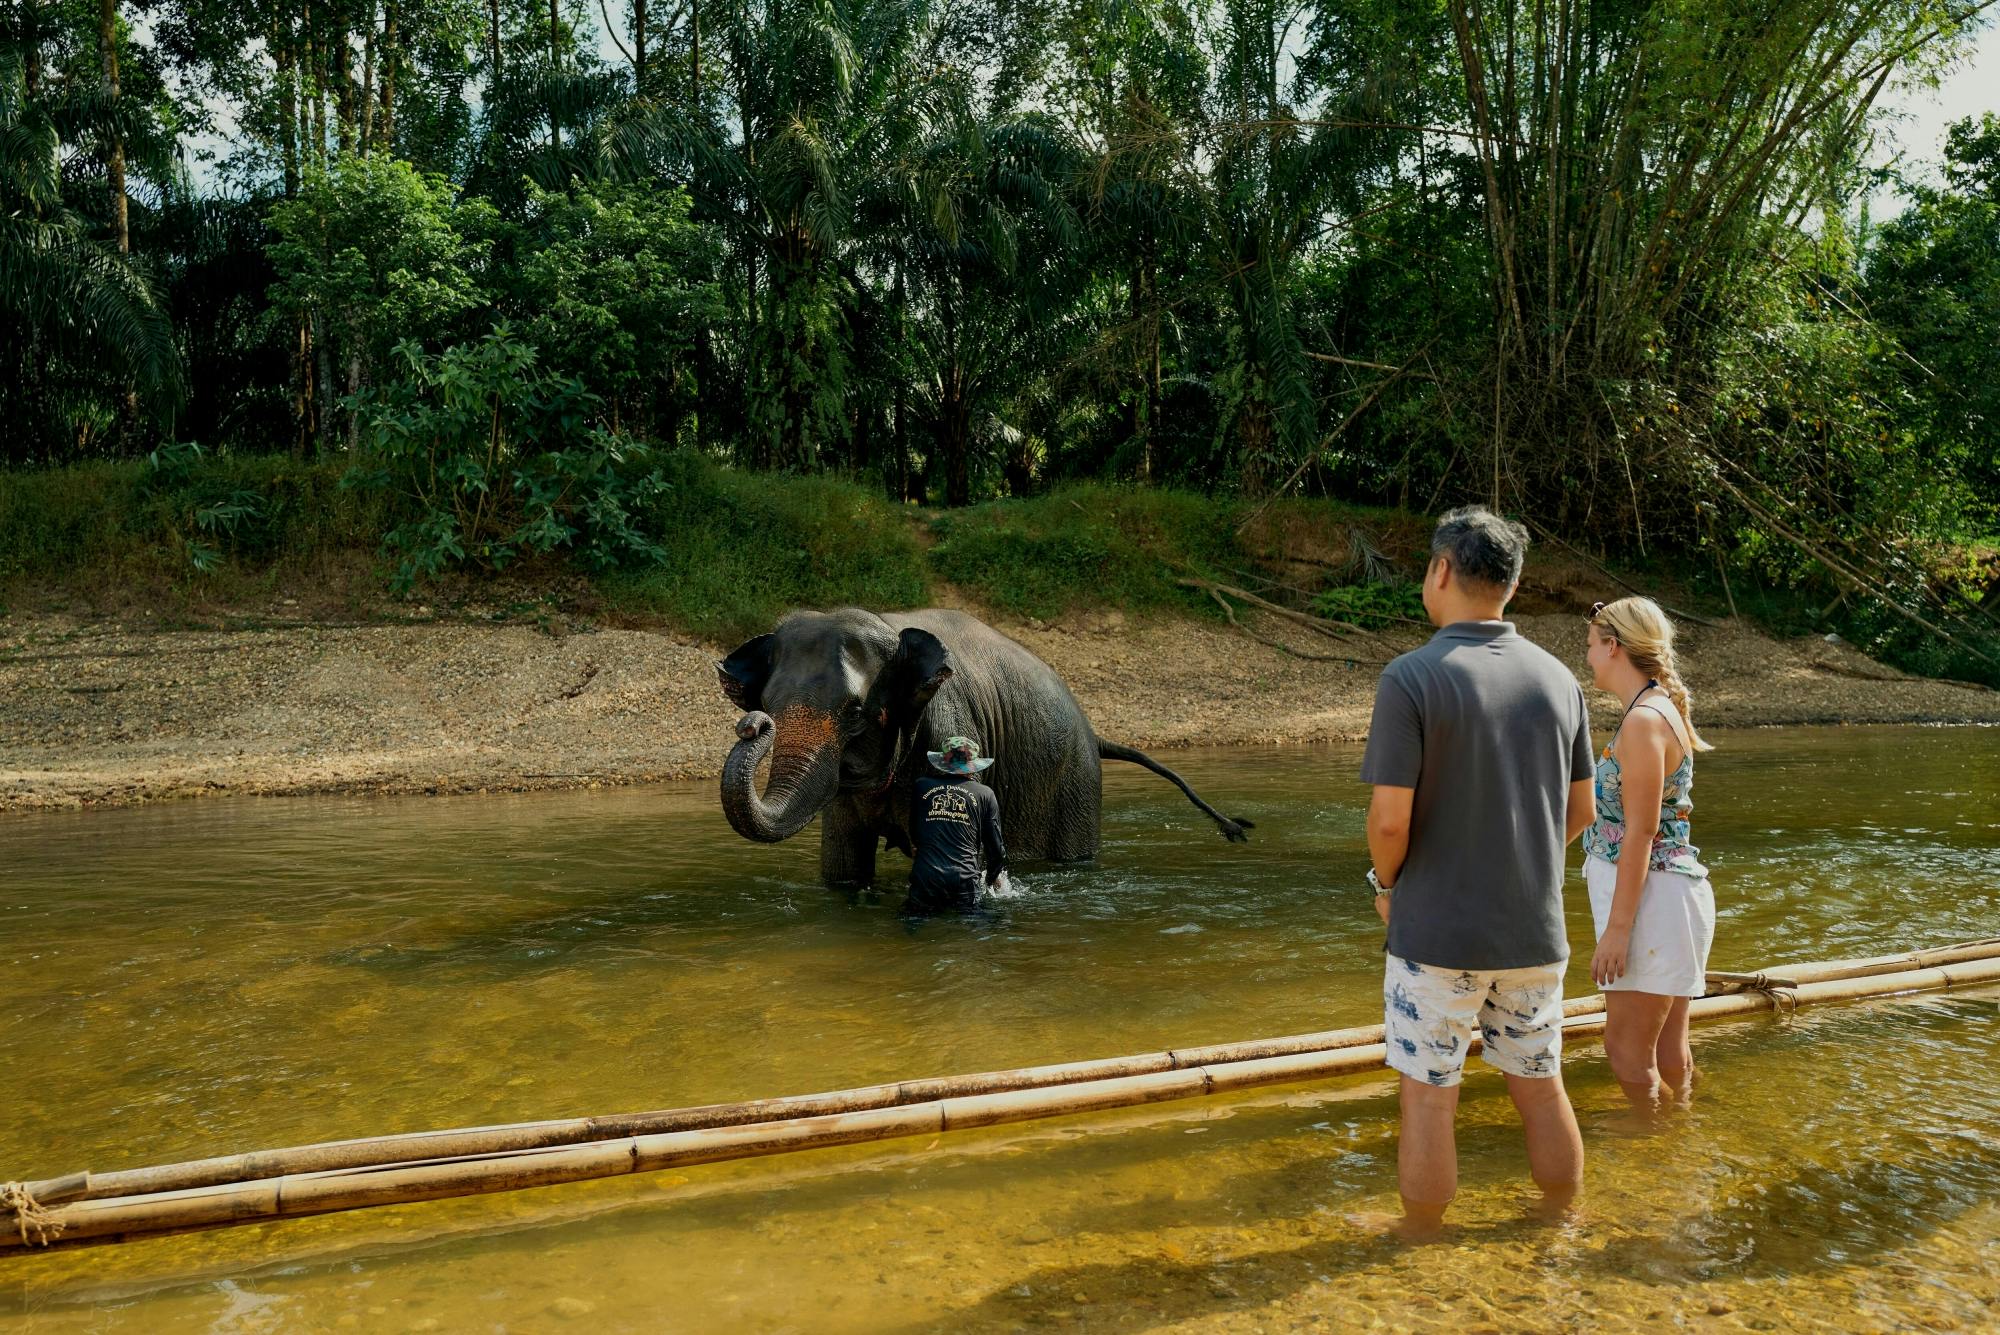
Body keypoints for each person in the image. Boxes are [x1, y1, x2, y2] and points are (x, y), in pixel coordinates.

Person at [1358, 506, 1595, 1240]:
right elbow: (1582, 809)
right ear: (1512, 587)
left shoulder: (1411, 677)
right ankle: (1562, 1221)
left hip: (1436, 934)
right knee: (1541, 1086)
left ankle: (1425, 1241)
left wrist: (1388, 886)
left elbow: (1390, 820)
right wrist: (1517, 858)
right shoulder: (1560, 680)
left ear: (1439, 571)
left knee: (1430, 1099)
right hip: (1534, 931)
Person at [1582, 596, 1716, 1115]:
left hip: (1652, 904)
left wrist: (1617, 930)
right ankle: (1677, 1148)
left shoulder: (1643, 721)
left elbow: (1639, 833)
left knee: (1625, 1051)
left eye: (1592, 646)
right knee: (1667, 1051)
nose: (1589, 657)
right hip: (1669, 897)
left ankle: (1652, 1149)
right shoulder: (1659, 707)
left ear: (1613, 646)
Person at [906, 735, 1008, 913]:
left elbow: (915, 833)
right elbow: (997, 851)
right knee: (975, 930)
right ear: (973, 766)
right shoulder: (985, 794)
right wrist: (990, 881)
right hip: (965, 881)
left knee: (913, 924)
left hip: (926, 878)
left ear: (943, 762)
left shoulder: (921, 786)